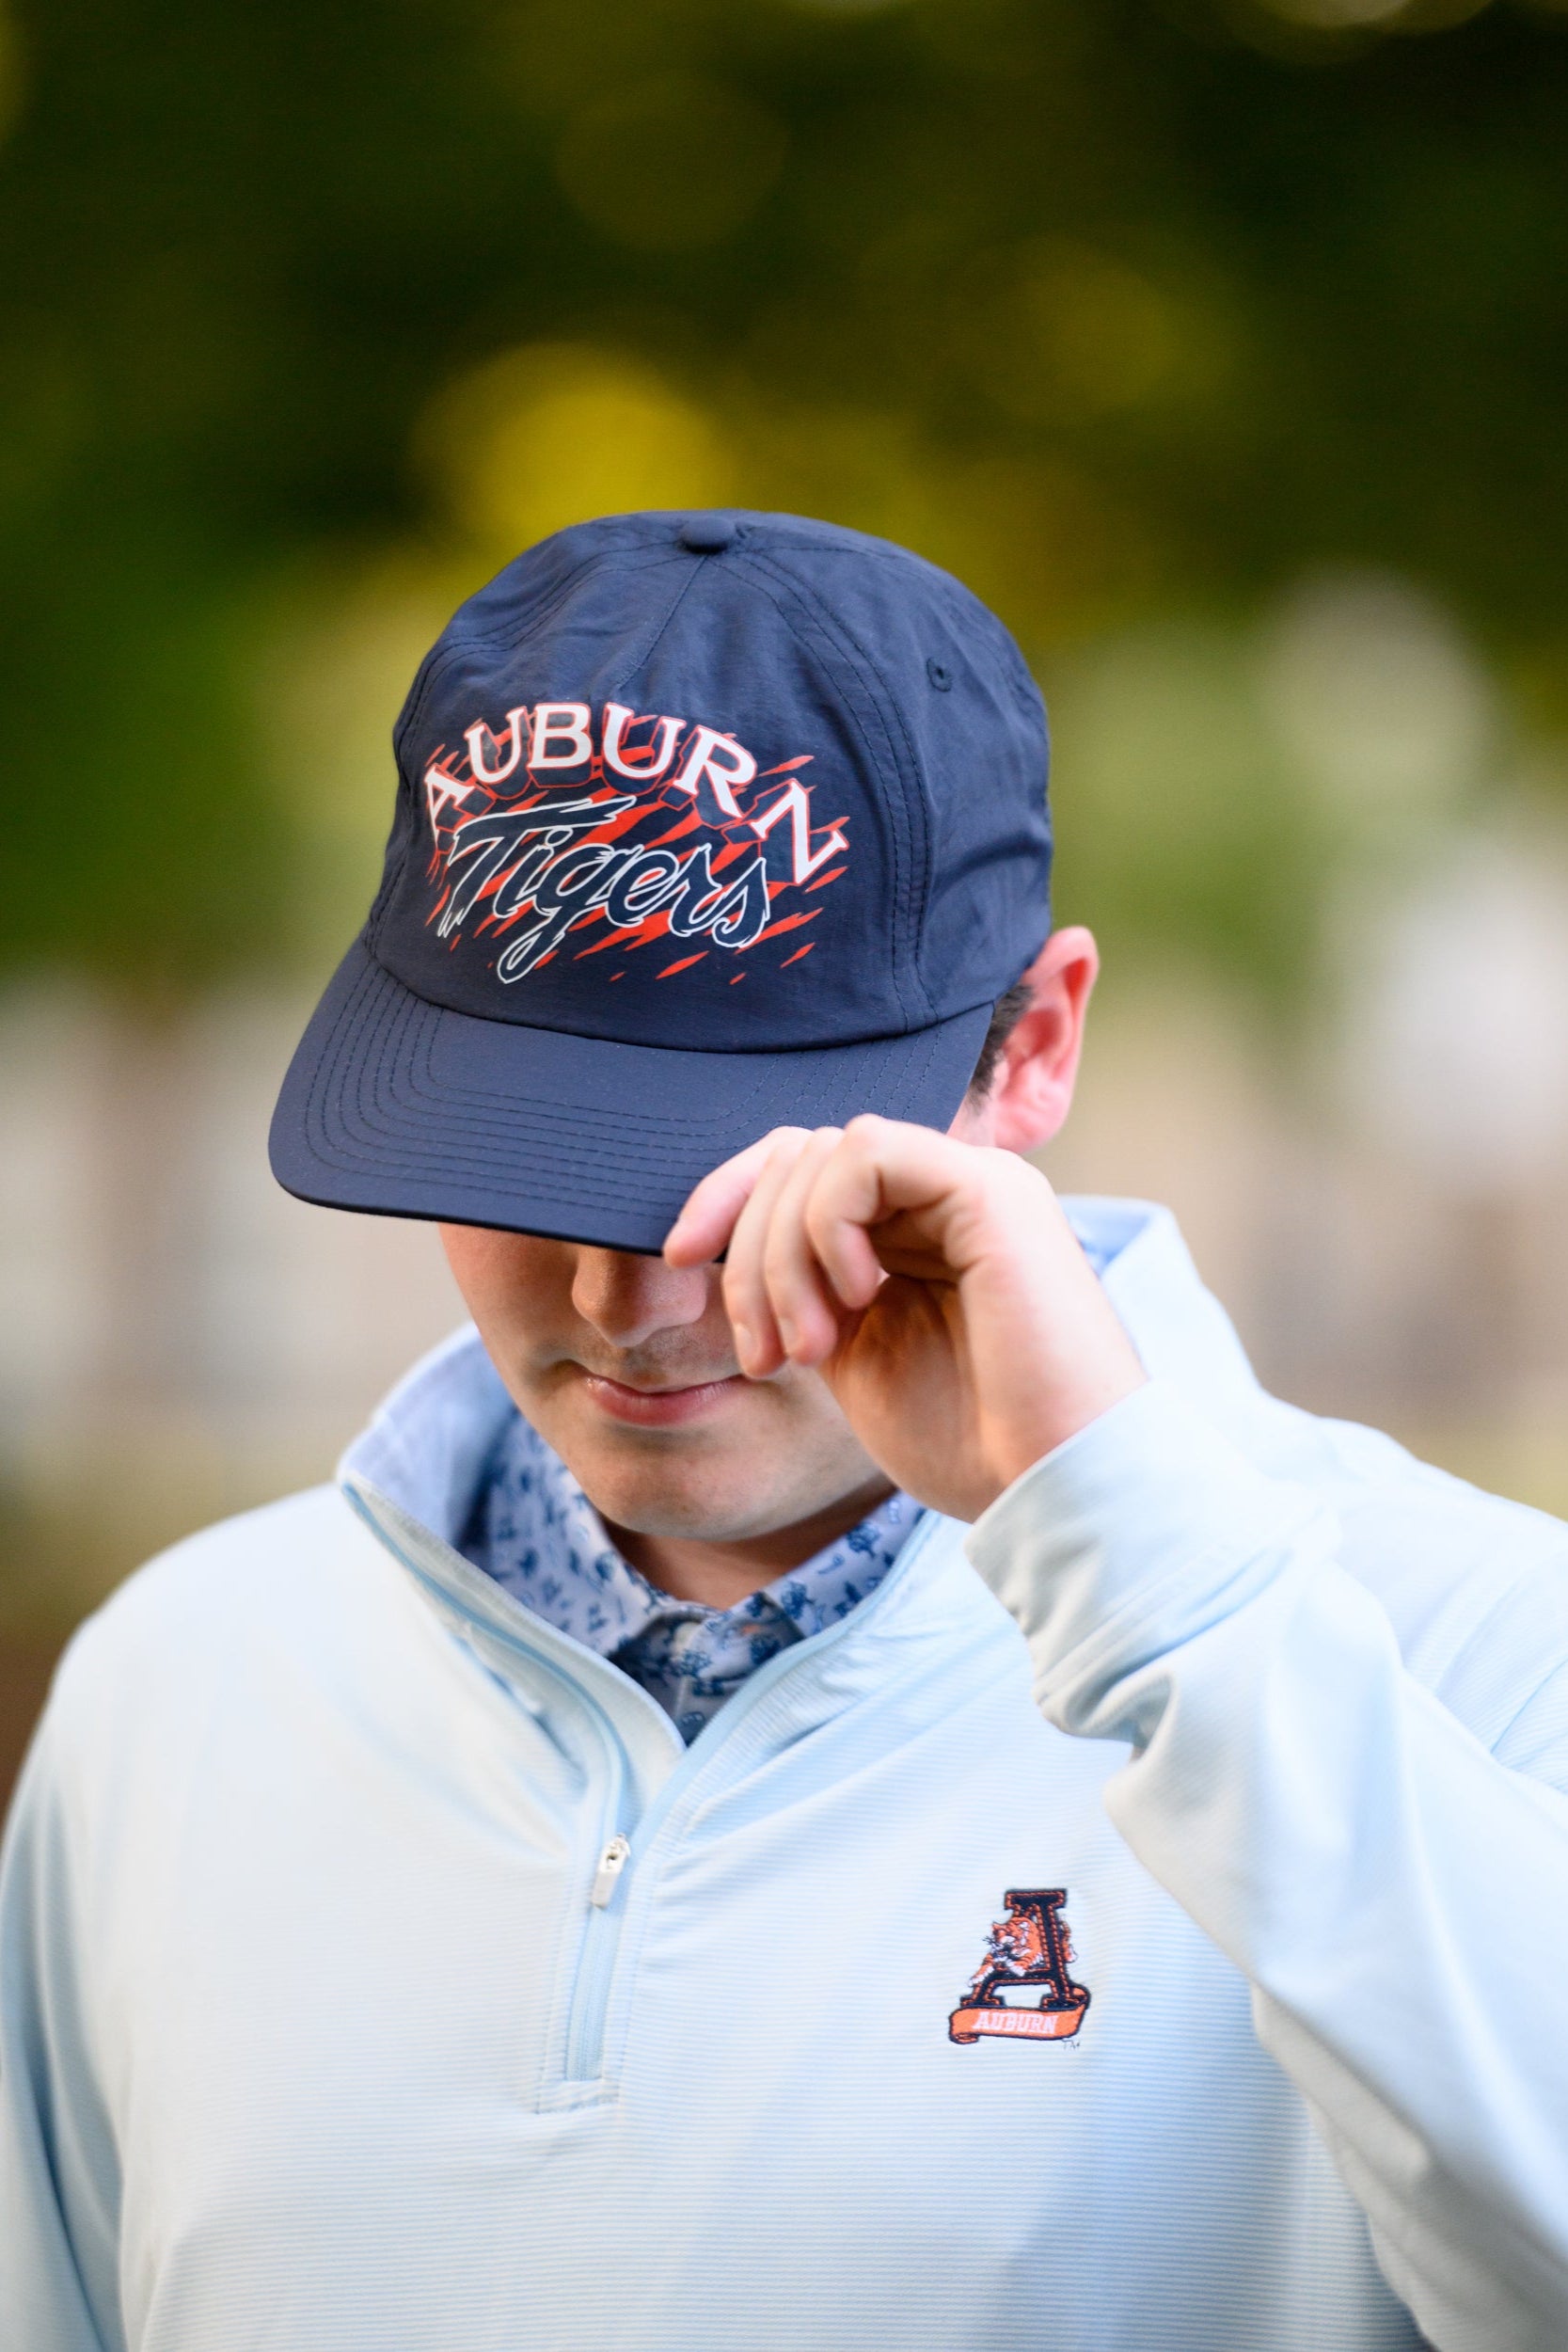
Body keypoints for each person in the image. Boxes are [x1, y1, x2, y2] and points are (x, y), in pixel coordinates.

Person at [2, 510, 1566, 2352]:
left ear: (1035, 1048)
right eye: (515, 1155)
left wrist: (1163, 1596)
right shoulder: (177, 1683)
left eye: (739, 1178)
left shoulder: (1481, 1656)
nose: (631, 1295)